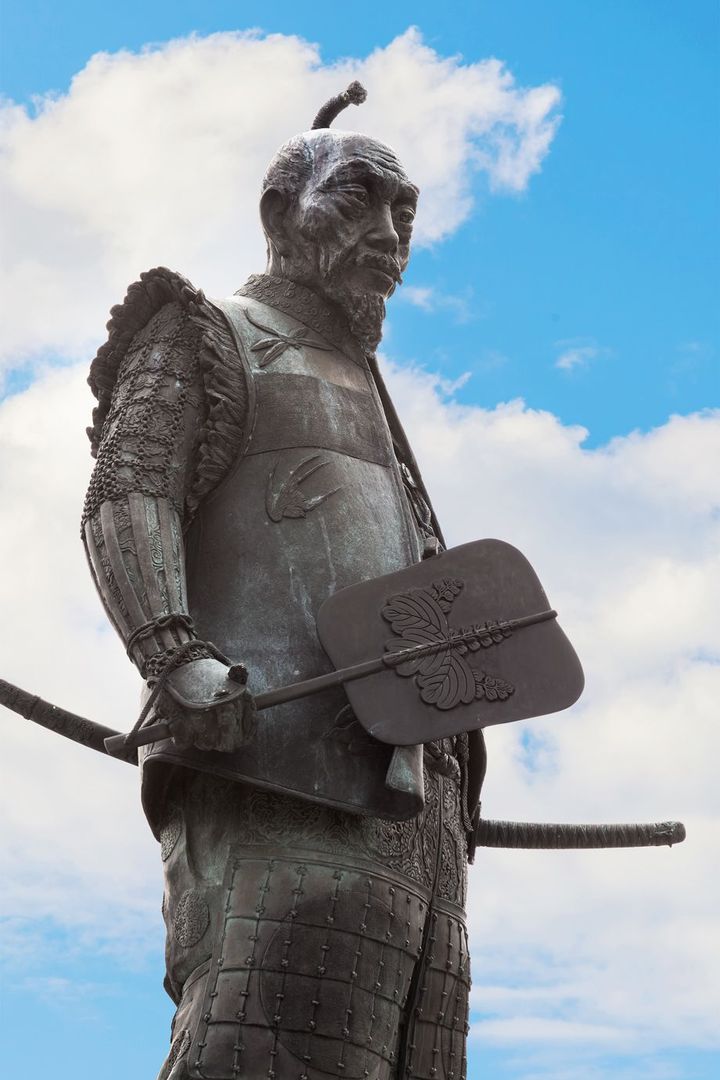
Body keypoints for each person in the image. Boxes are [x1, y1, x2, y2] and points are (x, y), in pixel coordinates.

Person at [83, 84, 484, 1079]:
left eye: (407, 212)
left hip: (418, 822)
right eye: (360, 199)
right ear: (280, 216)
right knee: (260, 1048)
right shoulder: (211, 330)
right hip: (269, 767)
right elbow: (128, 492)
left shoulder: (375, 398)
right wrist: (175, 660)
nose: (391, 234)